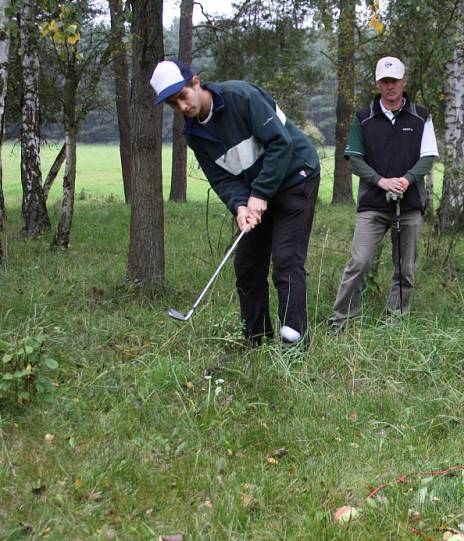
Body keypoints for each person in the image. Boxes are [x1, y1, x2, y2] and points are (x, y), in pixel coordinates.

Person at [150, 60, 320, 347]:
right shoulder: (195, 135)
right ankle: (256, 341)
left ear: (195, 82)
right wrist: (241, 206)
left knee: (286, 261)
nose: (181, 108)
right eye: (172, 104)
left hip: (295, 177)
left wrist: (260, 194)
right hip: (256, 192)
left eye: (181, 97)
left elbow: (280, 144)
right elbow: (222, 179)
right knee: (247, 266)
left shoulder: (241, 97)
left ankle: (295, 345)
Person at [330, 57, 439, 331]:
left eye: (395, 81)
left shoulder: (421, 117)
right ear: (377, 84)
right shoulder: (363, 118)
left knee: (405, 269)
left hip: (410, 204)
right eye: (384, 81)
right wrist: (381, 181)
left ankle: (395, 322)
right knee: (359, 262)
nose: (390, 86)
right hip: (373, 206)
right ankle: (340, 321)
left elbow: (428, 158)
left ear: (404, 82)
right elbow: (354, 159)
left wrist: (406, 179)